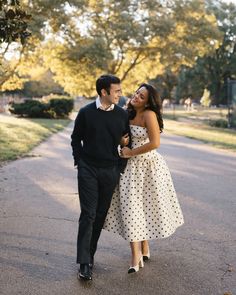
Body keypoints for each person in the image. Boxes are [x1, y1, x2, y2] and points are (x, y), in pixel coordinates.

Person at [104, 83, 184, 274]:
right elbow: (116, 135)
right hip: (129, 169)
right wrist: (121, 143)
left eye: (142, 96)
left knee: (144, 208)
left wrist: (131, 151)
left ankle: (142, 250)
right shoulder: (125, 112)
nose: (136, 97)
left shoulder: (149, 115)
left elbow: (155, 143)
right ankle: (137, 254)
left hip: (149, 168)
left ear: (148, 102)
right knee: (132, 209)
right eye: (136, 93)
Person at [71, 74, 130, 281]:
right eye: (117, 91)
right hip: (88, 169)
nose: (120, 95)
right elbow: (75, 139)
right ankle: (84, 262)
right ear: (104, 92)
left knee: (99, 215)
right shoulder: (86, 112)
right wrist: (79, 162)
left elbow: (126, 142)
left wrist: (120, 167)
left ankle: (90, 254)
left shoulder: (122, 115)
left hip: (110, 170)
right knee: (88, 214)